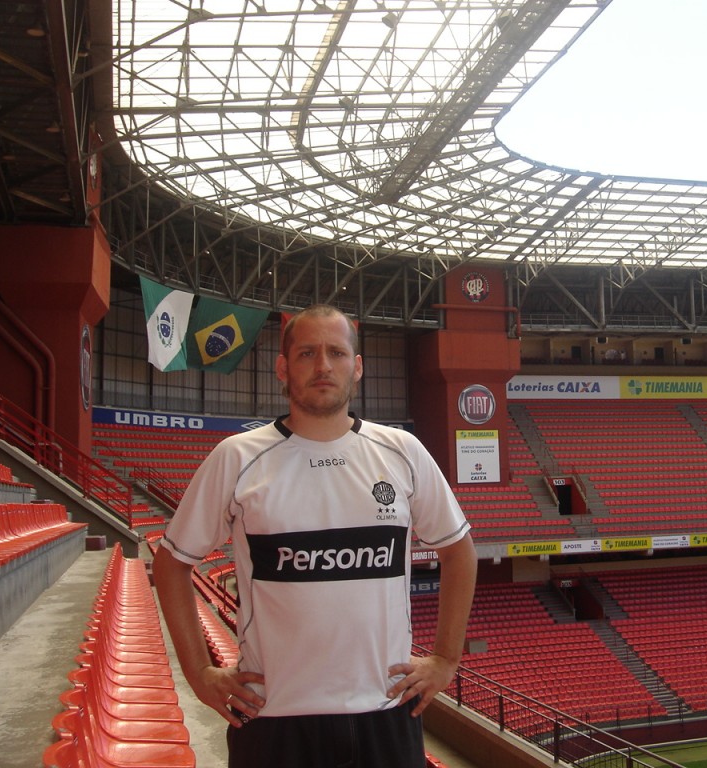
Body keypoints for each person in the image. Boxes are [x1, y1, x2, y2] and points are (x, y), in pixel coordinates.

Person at [153, 304, 477, 768]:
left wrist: (445, 659)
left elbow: (459, 553)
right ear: (283, 368)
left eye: (337, 353)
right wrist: (199, 672)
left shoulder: (402, 452)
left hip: (384, 713)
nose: (323, 366)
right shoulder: (237, 457)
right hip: (271, 719)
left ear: (357, 366)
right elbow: (171, 563)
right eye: (307, 353)